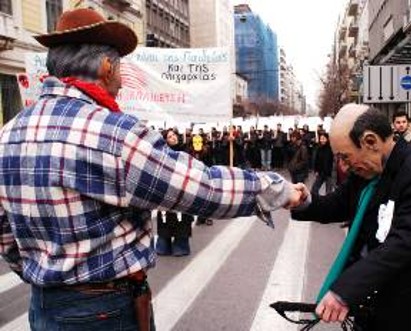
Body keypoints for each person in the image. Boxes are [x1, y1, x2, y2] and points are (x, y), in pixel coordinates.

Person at [0, 8, 303, 331]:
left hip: (44, 306)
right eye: (119, 67)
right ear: (106, 66)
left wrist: (48, 276)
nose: (120, 80)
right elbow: (199, 187)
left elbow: (6, 238)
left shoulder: (8, 134)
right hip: (104, 310)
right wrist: (276, 189)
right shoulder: (112, 133)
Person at [292, 104, 411, 330]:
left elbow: (403, 242)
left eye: (346, 157)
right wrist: (302, 200)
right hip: (369, 307)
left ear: (370, 141)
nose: (344, 166)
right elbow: (336, 204)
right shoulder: (367, 169)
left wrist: (343, 291)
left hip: (409, 311)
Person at [155, 129, 193, 256]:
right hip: (167, 189)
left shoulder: (185, 150)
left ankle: (180, 245)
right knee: (166, 217)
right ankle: (163, 245)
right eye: (170, 136)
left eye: (174, 135)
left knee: (182, 218)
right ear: (165, 140)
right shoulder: (161, 153)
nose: (173, 138)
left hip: (183, 188)